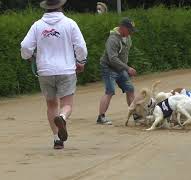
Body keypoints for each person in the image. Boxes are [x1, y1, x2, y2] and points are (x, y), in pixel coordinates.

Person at [20, 0, 88, 149]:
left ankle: (57, 139)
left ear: (45, 7)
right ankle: (62, 118)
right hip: (66, 69)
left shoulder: (37, 25)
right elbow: (81, 46)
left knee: (51, 105)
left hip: (45, 70)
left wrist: (28, 56)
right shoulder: (70, 23)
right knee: (67, 104)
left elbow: (25, 46)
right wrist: (81, 61)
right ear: (61, 6)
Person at [97, 17, 138, 125]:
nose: (131, 33)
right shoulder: (113, 39)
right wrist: (127, 68)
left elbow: (124, 55)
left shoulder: (128, 38)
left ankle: (135, 115)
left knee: (130, 89)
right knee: (109, 91)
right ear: (122, 28)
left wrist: (126, 67)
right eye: (129, 30)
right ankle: (101, 117)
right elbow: (113, 58)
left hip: (120, 68)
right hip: (108, 67)